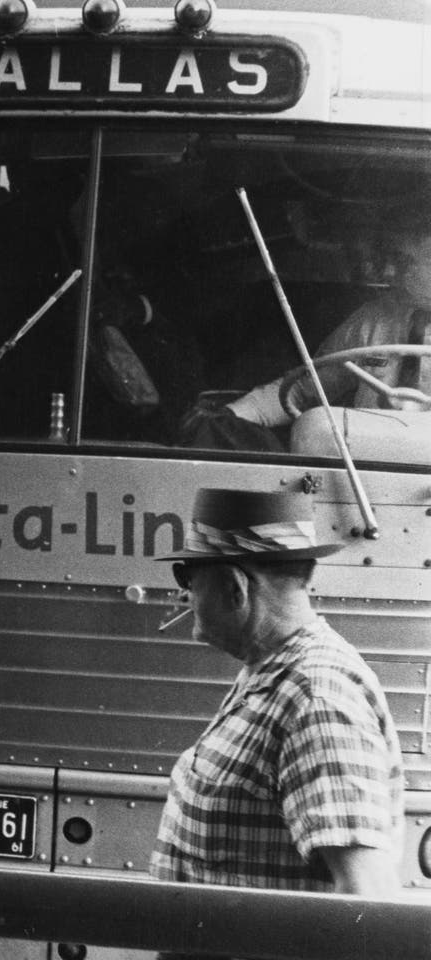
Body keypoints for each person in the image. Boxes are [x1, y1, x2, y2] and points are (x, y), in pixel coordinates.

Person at [151, 488, 403, 916]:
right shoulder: (270, 669)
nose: (184, 596)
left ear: (235, 588)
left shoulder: (316, 697)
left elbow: (368, 899)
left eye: (187, 577)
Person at [224, 220, 431, 431]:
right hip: (359, 458)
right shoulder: (374, 320)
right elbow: (303, 390)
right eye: (397, 259)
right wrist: (230, 415)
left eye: (408, 261)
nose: (391, 270)